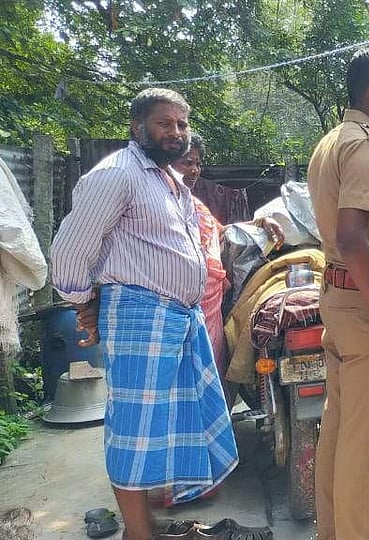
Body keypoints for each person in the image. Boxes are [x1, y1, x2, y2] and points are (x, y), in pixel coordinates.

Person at [50, 88, 238, 540]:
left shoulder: (165, 179)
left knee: (171, 423)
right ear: (137, 127)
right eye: (163, 123)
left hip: (178, 316)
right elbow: (69, 253)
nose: (175, 132)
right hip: (140, 315)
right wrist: (85, 304)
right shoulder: (115, 175)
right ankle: (139, 534)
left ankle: (153, 521)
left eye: (180, 124)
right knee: (133, 431)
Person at [307, 48, 369, 540]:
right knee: (362, 446)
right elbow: (352, 237)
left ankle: (332, 532)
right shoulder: (367, 147)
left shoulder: (331, 141)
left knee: (340, 427)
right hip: (364, 304)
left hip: (338, 297)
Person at [169, 132, 284, 406]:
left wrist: (260, 223)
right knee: (183, 388)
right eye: (187, 163)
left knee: (215, 381)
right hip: (178, 312)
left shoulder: (195, 206)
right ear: (168, 164)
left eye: (197, 164)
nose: (195, 170)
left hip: (210, 309)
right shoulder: (160, 205)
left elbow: (220, 234)